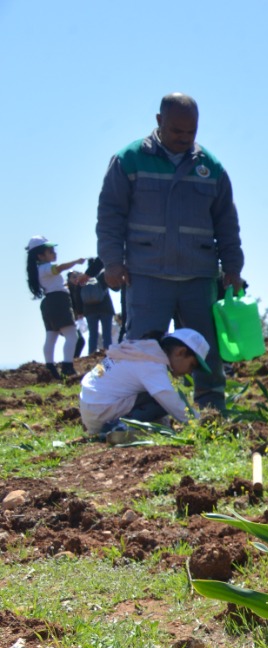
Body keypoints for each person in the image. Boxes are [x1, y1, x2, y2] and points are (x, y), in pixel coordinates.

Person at [96, 93, 244, 412]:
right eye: (177, 131)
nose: (184, 138)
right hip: (147, 274)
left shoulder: (211, 167)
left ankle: (211, 406)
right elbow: (110, 215)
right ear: (159, 121)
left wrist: (233, 267)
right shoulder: (130, 160)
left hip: (199, 274)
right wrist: (112, 262)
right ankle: (145, 410)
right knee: (142, 349)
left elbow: (227, 222)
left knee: (206, 345)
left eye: (191, 132)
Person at [78, 327, 215, 440]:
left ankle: (127, 427)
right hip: (101, 410)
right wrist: (199, 424)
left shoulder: (144, 351)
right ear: (181, 352)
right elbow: (171, 402)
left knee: (158, 397)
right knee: (162, 400)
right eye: (191, 365)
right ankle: (120, 429)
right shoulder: (152, 364)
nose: (189, 372)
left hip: (93, 405)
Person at [24, 237, 84, 379]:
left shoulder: (39, 270)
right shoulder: (46, 268)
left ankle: (50, 368)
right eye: (50, 251)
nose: (54, 253)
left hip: (49, 302)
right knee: (72, 335)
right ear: (40, 255)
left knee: (51, 336)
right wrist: (76, 261)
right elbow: (59, 268)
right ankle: (67, 367)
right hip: (59, 301)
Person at [78, 258, 117, 357]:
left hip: (89, 310)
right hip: (105, 308)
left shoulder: (83, 279)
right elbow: (115, 288)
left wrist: (79, 311)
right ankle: (108, 354)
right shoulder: (102, 275)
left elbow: (78, 295)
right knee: (106, 334)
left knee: (93, 334)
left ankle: (91, 355)